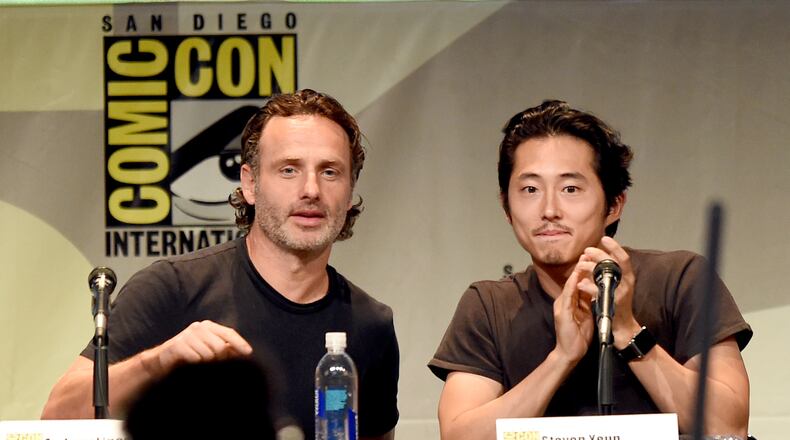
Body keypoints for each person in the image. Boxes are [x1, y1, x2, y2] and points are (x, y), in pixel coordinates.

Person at [42, 89, 399, 440]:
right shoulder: (171, 288)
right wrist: (157, 363)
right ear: (250, 184)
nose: (311, 189)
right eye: (289, 169)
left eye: (330, 172)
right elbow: (55, 418)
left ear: (350, 191)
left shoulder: (371, 324)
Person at [428, 100, 751, 439]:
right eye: (530, 189)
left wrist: (627, 331)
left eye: (570, 189)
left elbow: (729, 427)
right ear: (506, 207)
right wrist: (561, 359)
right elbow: (460, 436)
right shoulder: (487, 305)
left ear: (614, 204)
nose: (549, 209)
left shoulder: (682, 279)